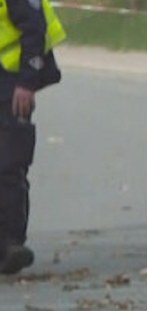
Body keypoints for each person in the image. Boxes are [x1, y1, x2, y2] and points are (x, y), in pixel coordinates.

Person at [0, 0, 64, 275]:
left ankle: (11, 243)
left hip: (11, 83)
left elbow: (35, 28)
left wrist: (27, 82)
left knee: (9, 164)